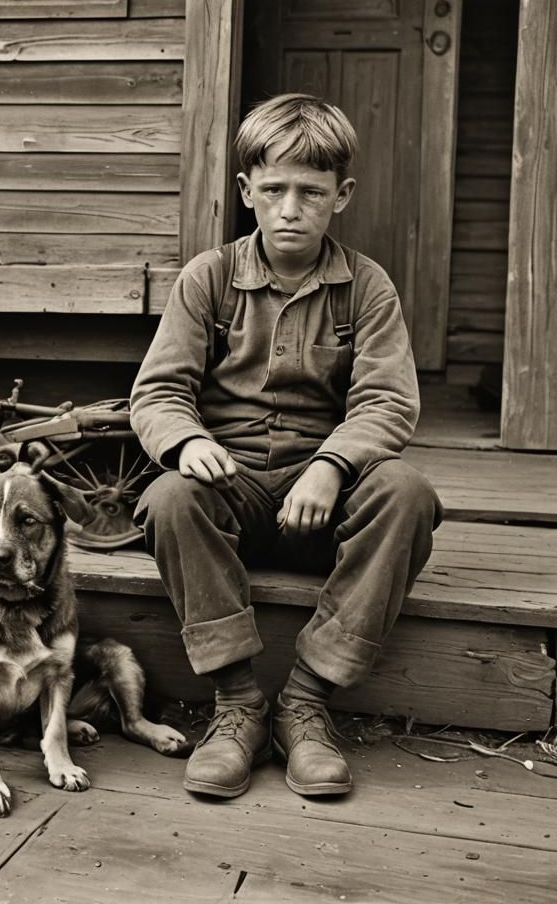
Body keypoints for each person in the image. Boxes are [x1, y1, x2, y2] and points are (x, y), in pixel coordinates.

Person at [129, 93, 442, 798]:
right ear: (247, 191)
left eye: (311, 192)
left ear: (342, 196)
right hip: (230, 495)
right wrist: (186, 442)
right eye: (273, 190)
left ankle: (305, 701)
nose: (290, 209)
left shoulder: (367, 288)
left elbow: (388, 401)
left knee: (407, 493)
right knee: (170, 497)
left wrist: (332, 465)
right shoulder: (208, 279)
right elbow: (158, 392)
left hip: (321, 507)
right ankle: (238, 703)